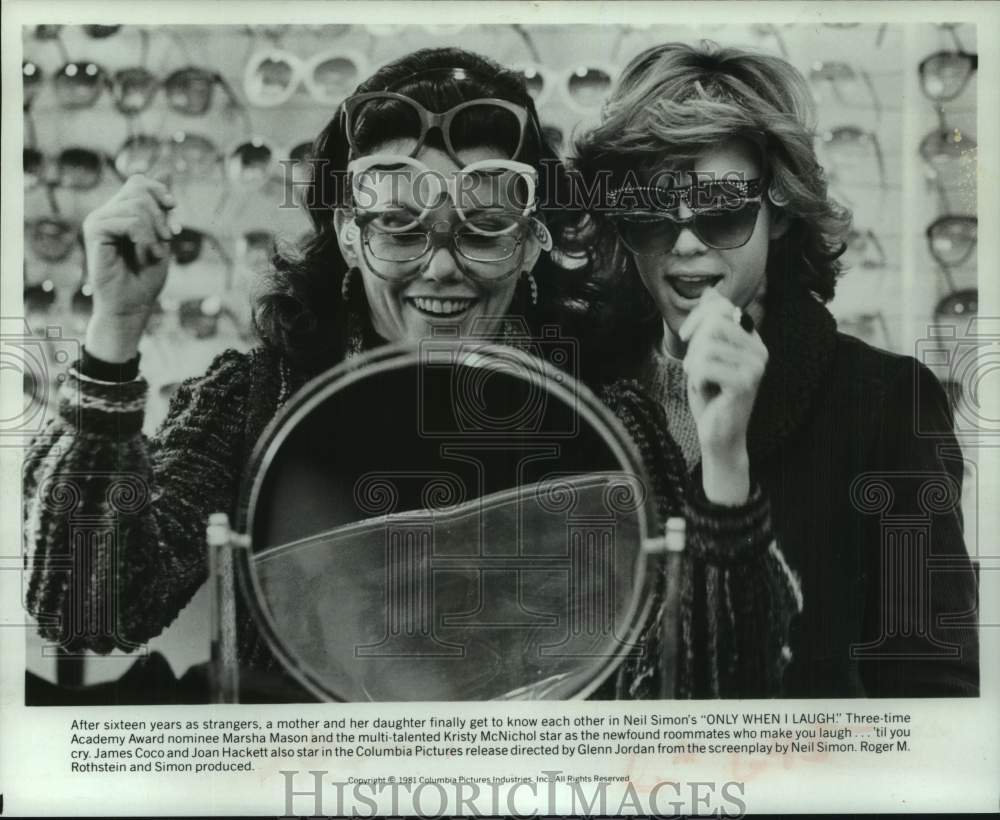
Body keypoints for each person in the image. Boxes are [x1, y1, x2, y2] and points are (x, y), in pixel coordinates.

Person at [23, 47, 799, 702]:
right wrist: (115, 331)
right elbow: (90, 608)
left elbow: (717, 685)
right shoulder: (263, 398)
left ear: (532, 241)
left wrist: (725, 463)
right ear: (349, 235)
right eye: (399, 224)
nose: (441, 267)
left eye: (484, 226)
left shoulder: (601, 414)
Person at [571, 41, 979, 697]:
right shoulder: (579, 396)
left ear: (780, 212)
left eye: (723, 208)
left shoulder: (884, 403)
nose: (686, 241)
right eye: (650, 211)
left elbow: (933, 690)